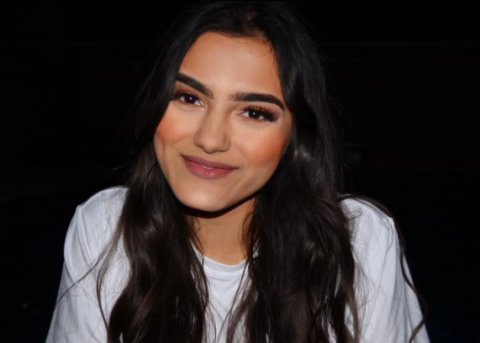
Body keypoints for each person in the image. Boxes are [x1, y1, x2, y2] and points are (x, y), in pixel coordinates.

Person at [46, 1, 429, 342]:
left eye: (254, 112)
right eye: (189, 97)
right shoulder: (104, 227)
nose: (211, 140)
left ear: (295, 136)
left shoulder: (360, 240)